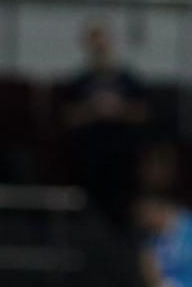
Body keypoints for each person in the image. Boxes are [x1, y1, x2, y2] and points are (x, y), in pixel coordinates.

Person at [59, 18, 148, 222]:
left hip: (123, 156)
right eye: (94, 42)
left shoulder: (128, 80)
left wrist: (119, 109)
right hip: (88, 157)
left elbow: (143, 114)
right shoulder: (78, 82)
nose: (100, 47)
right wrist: (93, 110)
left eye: (103, 41)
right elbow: (67, 118)